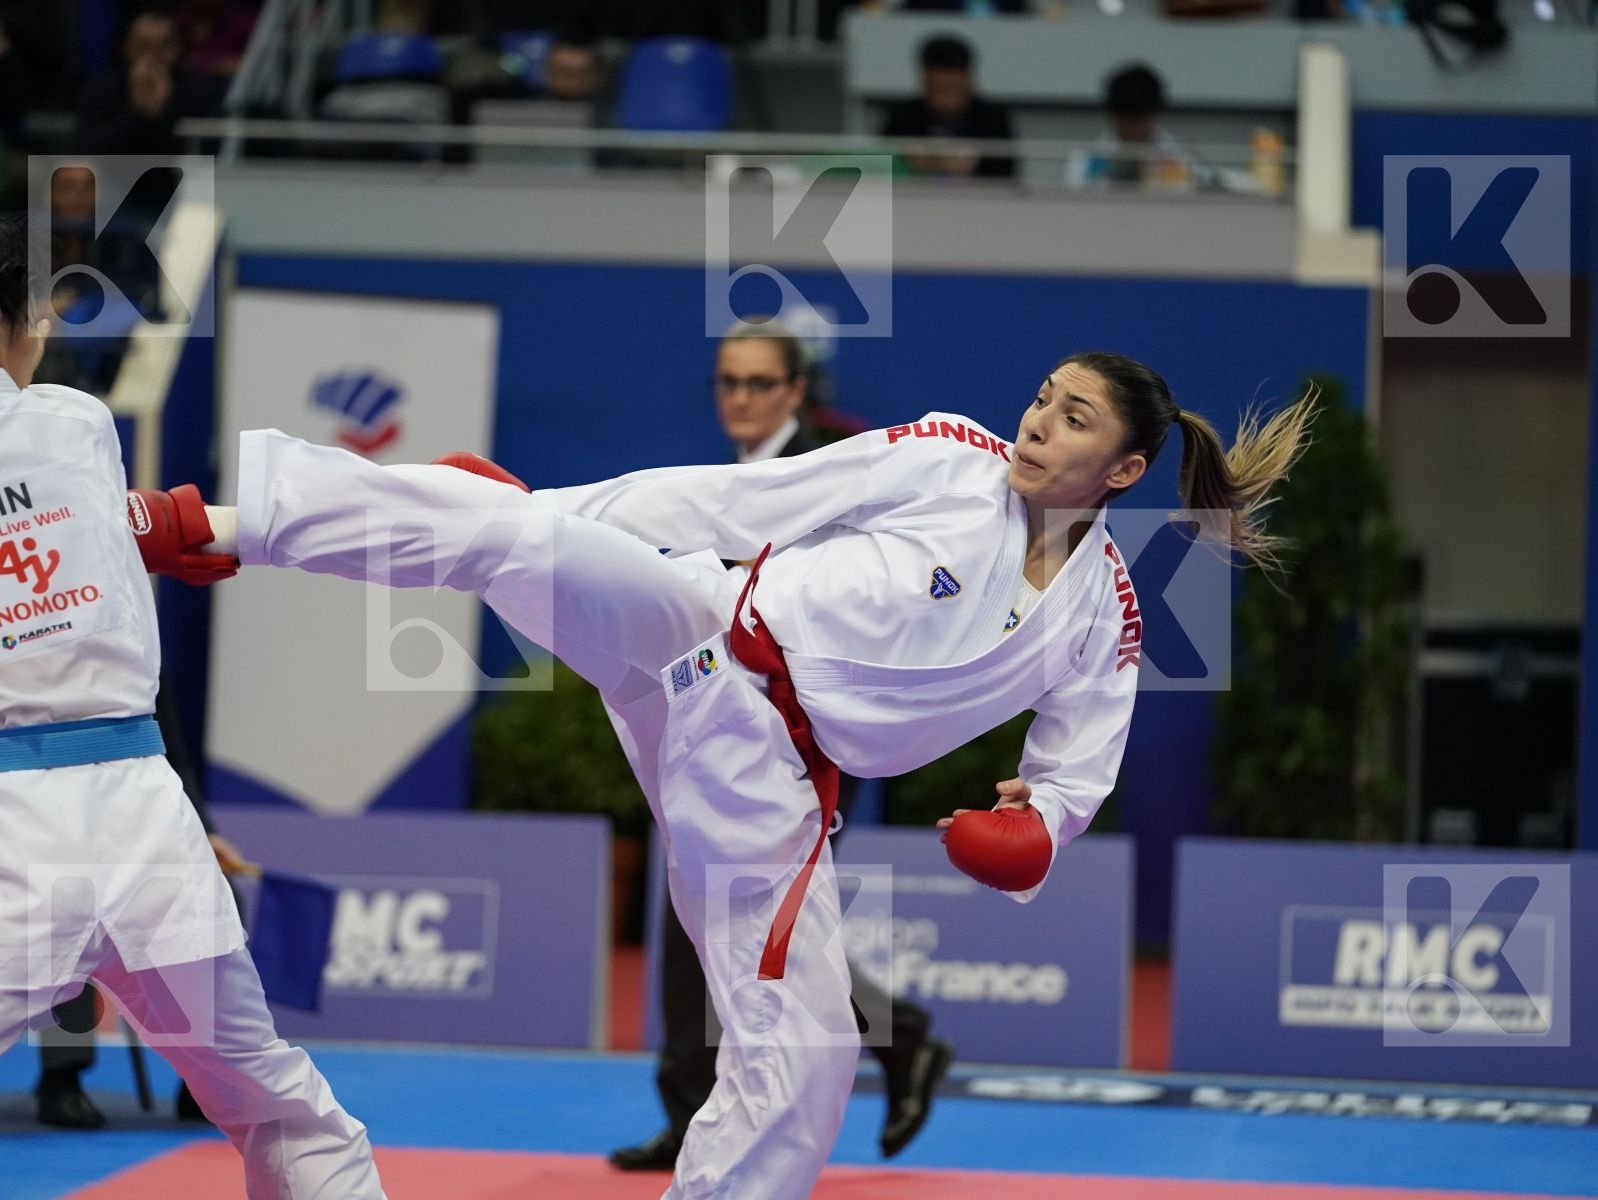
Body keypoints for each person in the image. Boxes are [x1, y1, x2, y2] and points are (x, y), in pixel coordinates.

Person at [139, 352, 1314, 1200]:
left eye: (1070, 420)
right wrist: (559, 513)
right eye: (1042, 399)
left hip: (772, 780)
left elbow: (1074, 765)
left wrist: (1038, 826)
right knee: (509, 534)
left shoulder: (1105, 618)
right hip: (702, 626)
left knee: (808, 1054)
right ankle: (216, 524)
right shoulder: (949, 459)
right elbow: (741, 500)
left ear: (1122, 470)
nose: (1036, 424)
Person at [0, 214, 386, 1199]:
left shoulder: (69, 427)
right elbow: (138, 525)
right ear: (25, 321)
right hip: (144, 822)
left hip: (20, 821)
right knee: (276, 1103)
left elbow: (132, 527)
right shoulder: (73, 421)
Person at [608, 322, 951, 1172]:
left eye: (759, 383)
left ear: (797, 391)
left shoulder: (834, 476)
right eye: (728, 381)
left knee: (757, 925)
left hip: (808, 741)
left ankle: (892, 1042)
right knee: (705, 916)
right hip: (717, 725)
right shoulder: (726, 481)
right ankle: (706, 1107)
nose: (740, 398)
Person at [35, 677, 250, 1129]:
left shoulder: (140, 654)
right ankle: (62, 1077)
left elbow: (169, 752)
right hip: (38, 830)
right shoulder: (25, 654)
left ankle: (204, 1077)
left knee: (218, 897)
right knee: (67, 900)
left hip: (133, 832)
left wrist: (204, 833)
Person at [77, 7, 224, 159]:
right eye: (143, 46)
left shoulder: (199, 91)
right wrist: (138, 114)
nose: (154, 56)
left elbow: (205, 152)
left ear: (179, 47)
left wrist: (162, 113)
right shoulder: (101, 89)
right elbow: (90, 151)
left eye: (164, 46)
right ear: (126, 46)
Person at [881, 35, 1016, 180]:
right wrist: (913, 165)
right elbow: (880, 168)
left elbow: (1005, 174)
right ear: (925, 81)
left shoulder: (992, 119)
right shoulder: (902, 116)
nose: (946, 99)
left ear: (969, 81)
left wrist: (969, 169)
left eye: (953, 89)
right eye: (939, 89)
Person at [1066, 62, 1201, 192]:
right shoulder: (1088, 161)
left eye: (1138, 119)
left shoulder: (1179, 159)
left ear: (1156, 113)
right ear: (1111, 114)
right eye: (1125, 119)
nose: (1132, 130)